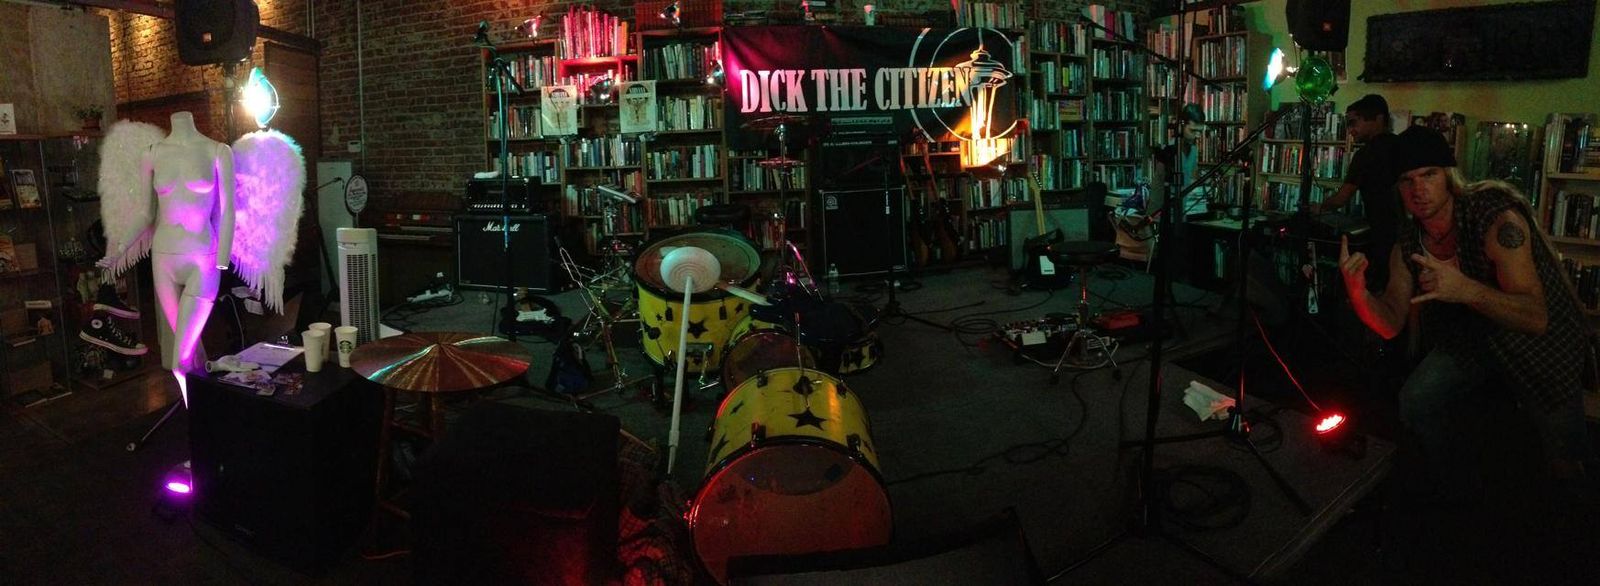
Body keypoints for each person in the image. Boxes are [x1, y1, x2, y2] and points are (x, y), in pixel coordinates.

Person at [1338, 126, 1593, 501]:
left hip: (1537, 336)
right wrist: (1358, 294)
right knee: (1416, 400)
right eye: (1407, 180)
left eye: (1429, 174)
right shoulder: (1408, 242)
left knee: (1564, 453)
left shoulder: (1493, 217)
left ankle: (1569, 501)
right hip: (1471, 335)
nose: (1418, 189)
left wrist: (1465, 289)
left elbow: (1535, 317)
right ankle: (1453, 480)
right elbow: (1390, 324)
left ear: (1448, 175)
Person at [100, 111, 235, 390]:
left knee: (179, 361)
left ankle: (198, 409)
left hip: (203, 259)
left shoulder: (218, 151)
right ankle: (204, 406)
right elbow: (146, 213)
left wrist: (223, 258)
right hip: (163, 260)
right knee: (191, 347)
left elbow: (228, 210)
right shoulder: (151, 154)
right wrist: (120, 249)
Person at [1314, 94, 1404, 292]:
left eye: (1354, 123)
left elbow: (1341, 198)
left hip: (1382, 233)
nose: (1350, 130)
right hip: (1408, 231)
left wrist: (1319, 207)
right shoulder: (1403, 145)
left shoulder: (1365, 155)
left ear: (1378, 119)